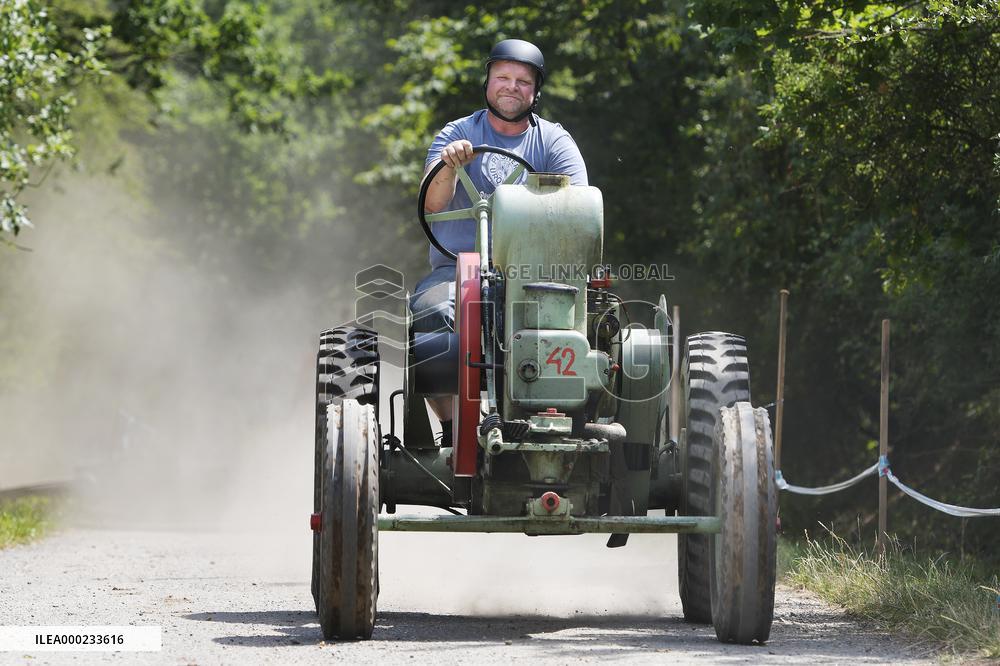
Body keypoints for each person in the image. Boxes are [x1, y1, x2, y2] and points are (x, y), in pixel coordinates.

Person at [410, 38, 588, 441]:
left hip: (532, 275)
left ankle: (552, 419)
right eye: (503, 77)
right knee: (431, 314)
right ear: (488, 82)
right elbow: (432, 204)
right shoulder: (457, 132)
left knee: (567, 326)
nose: (512, 87)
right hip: (457, 271)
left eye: (523, 81)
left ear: (535, 91)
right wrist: (449, 165)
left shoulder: (553, 142)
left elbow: (578, 213)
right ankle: (454, 431)